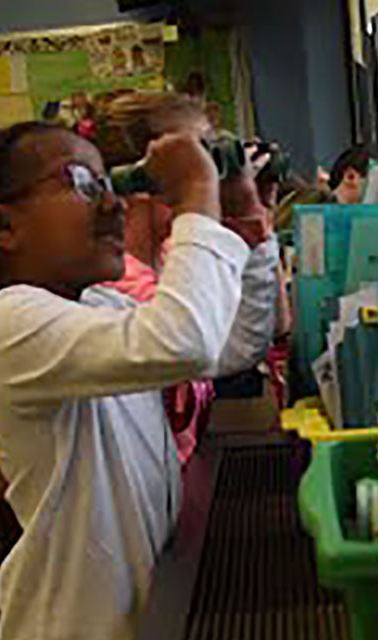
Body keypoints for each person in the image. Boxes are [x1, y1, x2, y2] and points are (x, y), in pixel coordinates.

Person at [0, 120, 259, 640]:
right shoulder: (5, 322)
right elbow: (185, 339)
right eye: (83, 184)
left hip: (150, 614)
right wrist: (196, 193)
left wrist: (244, 212)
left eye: (112, 184)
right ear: (0, 226)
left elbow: (233, 345)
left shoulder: (101, 305)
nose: (113, 205)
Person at [97, 93, 288, 460]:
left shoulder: (173, 259)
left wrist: (254, 214)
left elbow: (261, 334)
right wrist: (200, 194)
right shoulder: (109, 289)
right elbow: (210, 348)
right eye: (196, 160)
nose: (209, 175)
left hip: (176, 484)